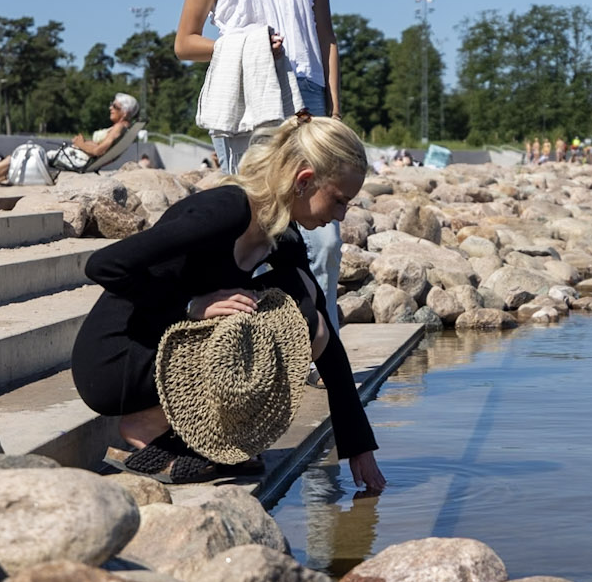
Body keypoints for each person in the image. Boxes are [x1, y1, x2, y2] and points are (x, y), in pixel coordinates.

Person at [71, 113, 384, 489]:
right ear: (304, 181)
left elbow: (326, 338)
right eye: (338, 201)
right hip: (118, 357)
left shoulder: (281, 234)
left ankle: (195, 429)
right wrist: (189, 306)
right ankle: (147, 423)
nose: (341, 215)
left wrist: (357, 444)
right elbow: (103, 265)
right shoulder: (225, 209)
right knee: (294, 310)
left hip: (169, 347)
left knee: (306, 312)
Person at [174, 0, 343, 322]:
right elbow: (184, 43)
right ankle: (247, 341)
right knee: (254, 230)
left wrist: (335, 110)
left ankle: (320, 342)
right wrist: (245, 45)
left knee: (325, 237)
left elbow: (326, 38)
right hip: (247, 101)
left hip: (308, 101)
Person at [0, 92, 139, 187]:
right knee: (18, 161)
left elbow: (99, 151)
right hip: (77, 159)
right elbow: (101, 149)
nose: (110, 108)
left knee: (19, 157)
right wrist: (84, 144)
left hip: (74, 160)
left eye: (114, 106)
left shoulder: (118, 129)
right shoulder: (122, 129)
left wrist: (80, 144)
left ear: (125, 112)